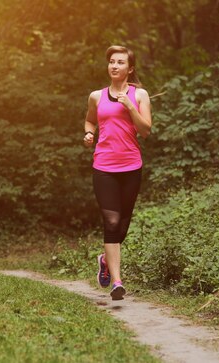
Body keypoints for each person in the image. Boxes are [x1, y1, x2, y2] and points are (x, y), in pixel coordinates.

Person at [83, 45, 152, 300]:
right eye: (111, 61)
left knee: (121, 227)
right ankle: (117, 281)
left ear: (129, 68)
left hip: (131, 167)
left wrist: (130, 106)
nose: (114, 65)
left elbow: (145, 130)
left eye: (120, 62)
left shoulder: (140, 95)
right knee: (111, 222)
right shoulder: (96, 96)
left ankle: (104, 260)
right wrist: (89, 132)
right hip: (104, 167)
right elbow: (90, 119)